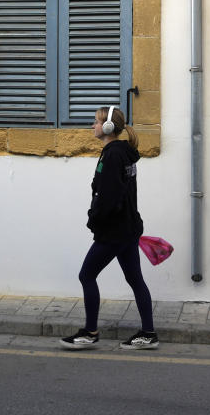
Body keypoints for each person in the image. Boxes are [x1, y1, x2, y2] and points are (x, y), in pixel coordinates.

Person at [60, 105, 158, 351]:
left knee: (86, 274)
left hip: (114, 230)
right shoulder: (120, 152)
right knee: (135, 279)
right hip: (127, 227)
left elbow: (110, 196)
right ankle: (148, 333)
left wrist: (94, 218)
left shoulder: (114, 154)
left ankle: (90, 332)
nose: (92, 126)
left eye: (95, 122)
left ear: (107, 127)